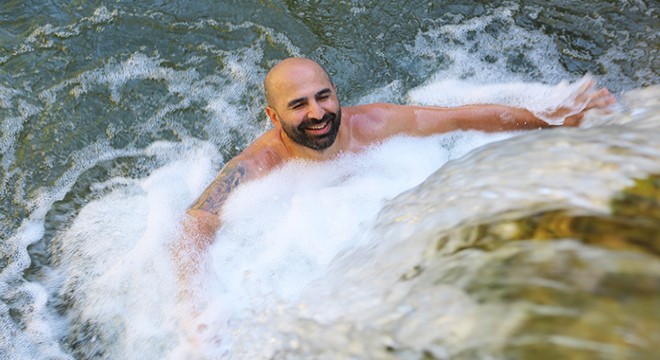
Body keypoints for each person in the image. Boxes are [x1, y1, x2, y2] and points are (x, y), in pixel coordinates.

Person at [172, 57, 616, 300]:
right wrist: (198, 310)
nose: (318, 112)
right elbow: (198, 221)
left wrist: (555, 119)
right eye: (299, 104)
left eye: (324, 96)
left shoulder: (373, 125)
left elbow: (462, 117)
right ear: (273, 116)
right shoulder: (262, 163)